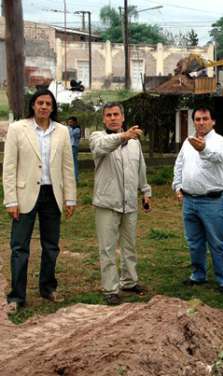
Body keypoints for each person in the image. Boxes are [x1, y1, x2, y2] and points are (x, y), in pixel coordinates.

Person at [2, 89, 76, 313]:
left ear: (53, 108)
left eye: (48, 103)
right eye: (40, 103)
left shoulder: (62, 131)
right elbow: (9, 167)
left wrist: (70, 198)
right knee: (19, 247)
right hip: (24, 196)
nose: (44, 107)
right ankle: (17, 296)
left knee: (51, 246)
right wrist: (10, 201)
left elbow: (67, 167)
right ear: (33, 105)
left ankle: (47, 287)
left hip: (52, 195)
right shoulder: (17, 129)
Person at [89, 102, 152, 305]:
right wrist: (123, 136)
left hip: (129, 203)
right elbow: (103, 146)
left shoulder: (135, 143)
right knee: (107, 248)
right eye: (109, 115)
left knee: (129, 245)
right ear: (104, 119)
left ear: (123, 117)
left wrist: (145, 191)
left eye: (116, 114)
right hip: (107, 203)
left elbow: (140, 167)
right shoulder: (97, 138)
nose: (113, 118)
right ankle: (110, 289)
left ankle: (129, 281)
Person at [172, 106, 223, 292]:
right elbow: (179, 164)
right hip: (189, 201)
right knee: (194, 242)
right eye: (197, 119)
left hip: (212, 201)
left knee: (217, 242)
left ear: (213, 121)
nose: (201, 122)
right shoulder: (187, 142)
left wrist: (204, 149)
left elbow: (220, 159)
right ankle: (198, 275)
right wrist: (177, 186)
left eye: (205, 118)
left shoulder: (220, 142)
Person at [67, 116, 81, 184]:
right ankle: (73, 179)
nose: (69, 123)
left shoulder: (77, 129)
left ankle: (76, 179)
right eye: (69, 122)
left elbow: (69, 134)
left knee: (74, 163)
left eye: (71, 122)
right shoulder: (70, 128)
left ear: (75, 122)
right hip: (70, 147)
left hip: (73, 147)